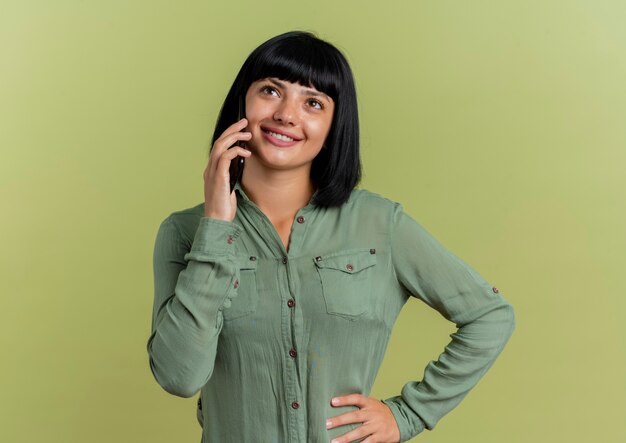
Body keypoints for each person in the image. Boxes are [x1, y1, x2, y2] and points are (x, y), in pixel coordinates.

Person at [147, 30, 515, 443]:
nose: (287, 114)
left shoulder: (380, 224)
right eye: (271, 90)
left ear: (334, 125)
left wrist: (409, 414)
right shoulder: (183, 233)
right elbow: (179, 376)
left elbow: (489, 315)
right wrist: (216, 225)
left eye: (313, 103)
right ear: (242, 103)